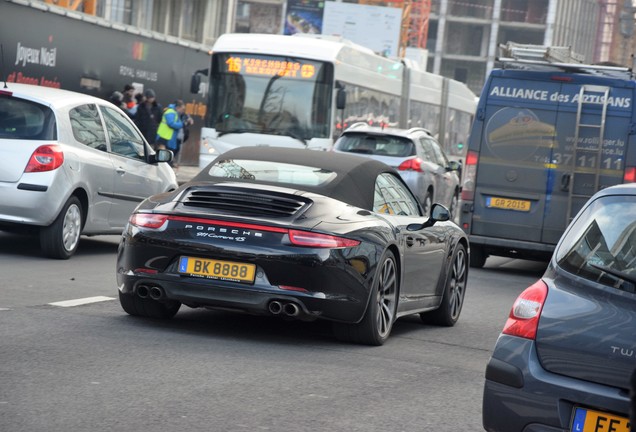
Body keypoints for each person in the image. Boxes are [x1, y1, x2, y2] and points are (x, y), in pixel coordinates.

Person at [156, 99, 193, 167]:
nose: (183, 111)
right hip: (164, 136)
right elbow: (171, 124)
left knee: (166, 155)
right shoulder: (170, 112)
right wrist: (182, 124)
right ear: (178, 107)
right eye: (182, 109)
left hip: (168, 136)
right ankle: (162, 168)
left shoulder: (175, 113)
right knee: (163, 156)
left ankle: (166, 166)